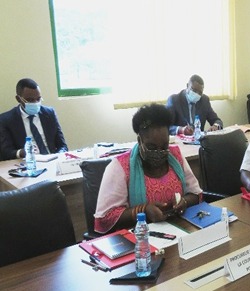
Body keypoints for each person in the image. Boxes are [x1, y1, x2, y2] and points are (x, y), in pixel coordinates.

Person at [94, 104, 202, 234]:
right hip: (139, 238)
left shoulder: (175, 156)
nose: (159, 152)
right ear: (139, 140)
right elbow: (105, 218)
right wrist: (142, 211)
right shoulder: (120, 167)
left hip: (179, 231)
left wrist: (184, 202)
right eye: (151, 147)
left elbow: (196, 194)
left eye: (164, 146)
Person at [0, 78, 68, 160]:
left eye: (38, 99)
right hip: (27, 162)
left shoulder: (49, 113)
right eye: (30, 100)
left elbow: (62, 146)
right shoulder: (6, 120)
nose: (35, 103)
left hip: (52, 159)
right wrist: (21, 152)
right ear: (18, 99)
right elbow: (5, 153)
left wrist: (60, 157)